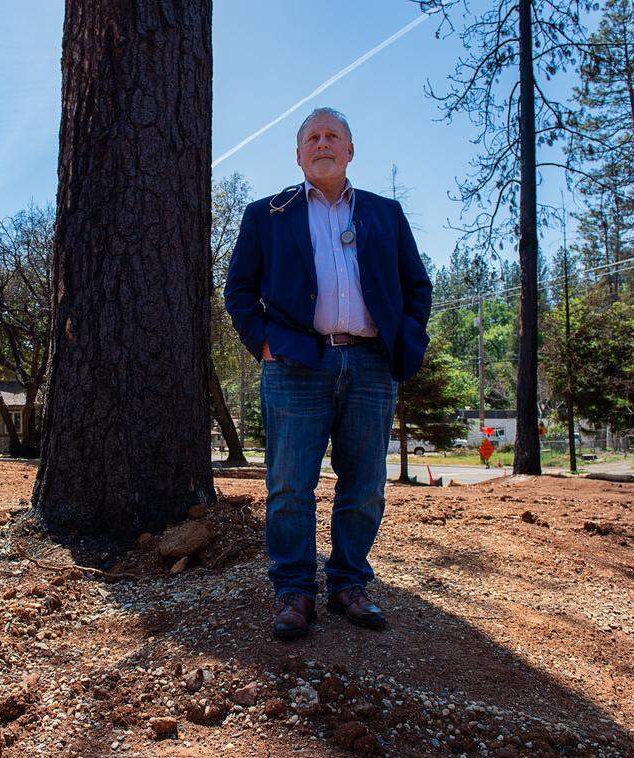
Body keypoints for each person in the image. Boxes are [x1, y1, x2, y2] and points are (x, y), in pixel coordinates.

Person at [223, 107, 432, 640]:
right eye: (312, 137)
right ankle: (294, 591)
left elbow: (417, 286)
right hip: (296, 364)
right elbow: (239, 291)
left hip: (369, 363)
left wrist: (405, 339)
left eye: (332, 136)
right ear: (298, 154)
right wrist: (265, 343)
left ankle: (348, 584)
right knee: (290, 485)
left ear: (350, 150)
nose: (322, 143)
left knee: (364, 485)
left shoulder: (386, 214)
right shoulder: (266, 215)